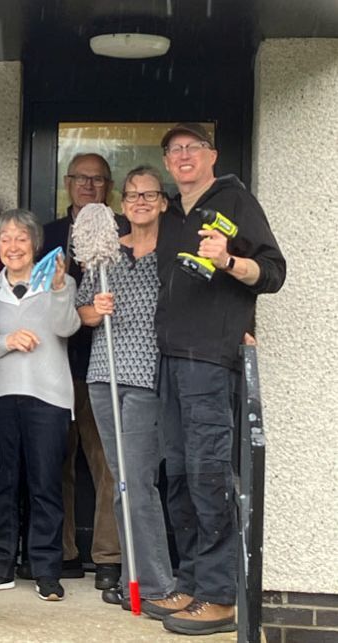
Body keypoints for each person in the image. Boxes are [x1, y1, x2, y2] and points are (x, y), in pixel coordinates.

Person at [155, 123, 286, 635]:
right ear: (167, 163)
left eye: (193, 148)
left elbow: (274, 272)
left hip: (210, 358)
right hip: (170, 356)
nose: (184, 156)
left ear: (212, 155)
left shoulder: (235, 201)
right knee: (180, 474)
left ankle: (220, 595)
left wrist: (229, 260)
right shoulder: (172, 212)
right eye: (175, 151)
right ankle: (190, 581)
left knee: (209, 473)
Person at [76, 166, 183, 618]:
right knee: (120, 482)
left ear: (162, 203)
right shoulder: (105, 256)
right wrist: (94, 311)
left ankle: (156, 582)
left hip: (147, 377)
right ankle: (130, 580)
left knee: (137, 481)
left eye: (150, 195)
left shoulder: (172, 254)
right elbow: (81, 313)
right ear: (123, 205)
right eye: (133, 195)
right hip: (104, 374)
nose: (140, 202)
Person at [0, 209, 79, 601]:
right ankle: (0, 566)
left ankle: (46, 571)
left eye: (21, 238)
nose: (13, 246)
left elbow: (66, 327)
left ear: (35, 244)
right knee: (2, 486)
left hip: (49, 397)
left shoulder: (61, 282)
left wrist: (57, 289)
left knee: (45, 486)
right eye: (5, 239)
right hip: (0, 397)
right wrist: (8, 342)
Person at [41, 153, 122, 589]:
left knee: (108, 461)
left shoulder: (123, 232)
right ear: (68, 183)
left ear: (109, 186)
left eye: (97, 180)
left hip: (110, 365)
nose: (89, 186)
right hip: (58, 363)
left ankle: (108, 556)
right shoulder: (49, 235)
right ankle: (63, 552)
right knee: (57, 462)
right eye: (81, 179)